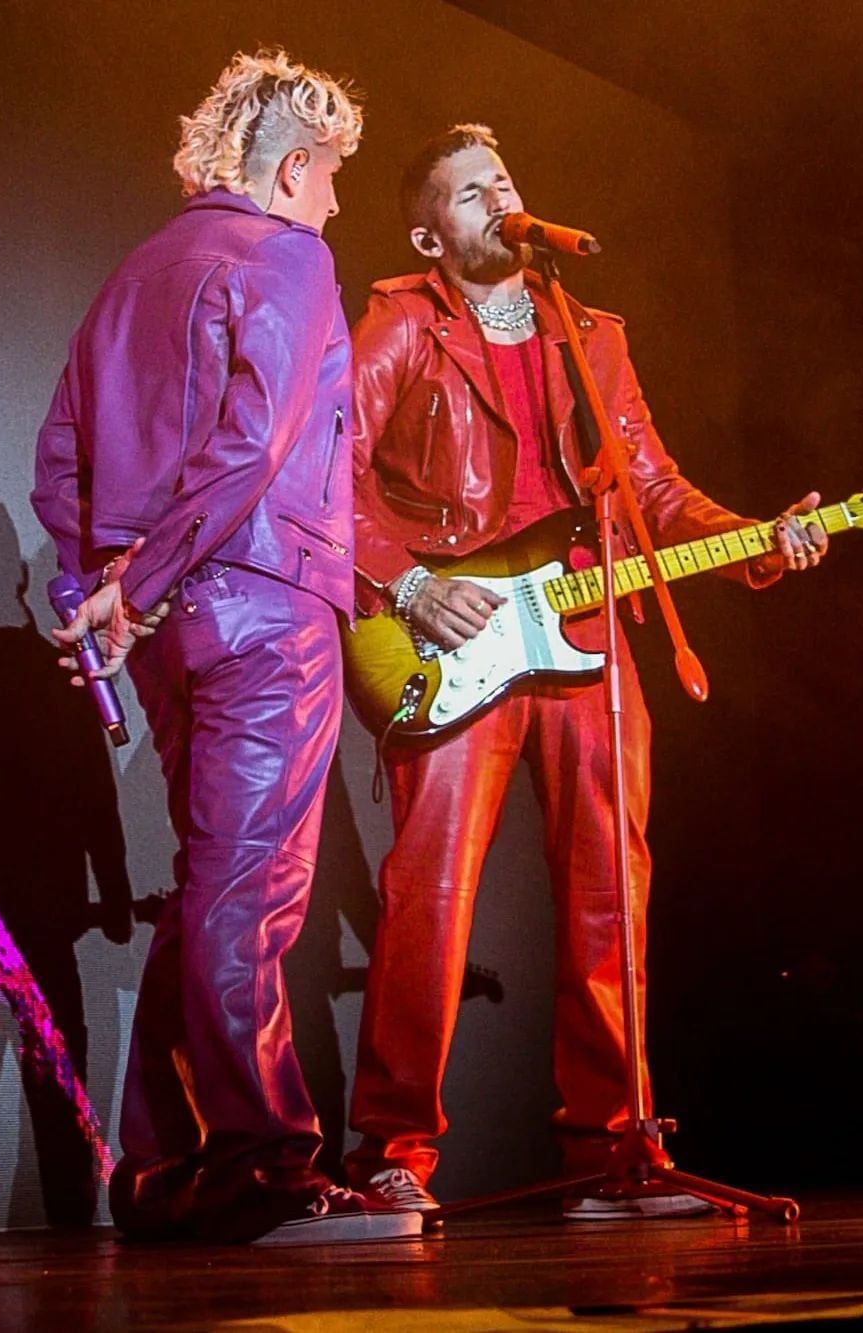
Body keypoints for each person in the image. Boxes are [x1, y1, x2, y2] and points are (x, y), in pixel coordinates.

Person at [342, 124, 828, 1222]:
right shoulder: (401, 321)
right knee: (430, 897)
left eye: (502, 181)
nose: (497, 199)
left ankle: (614, 1149)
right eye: (469, 192)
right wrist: (409, 586)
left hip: (585, 628)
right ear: (429, 235)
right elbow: (328, 474)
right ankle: (391, 1155)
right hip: (455, 631)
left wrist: (753, 538)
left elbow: (651, 487)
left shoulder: (589, 333)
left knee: (613, 886)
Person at [31, 50, 419, 1245]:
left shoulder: (133, 274)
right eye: (333, 175)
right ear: (294, 169)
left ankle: (165, 1170)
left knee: (212, 885)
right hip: (262, 602)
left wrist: (107, 591)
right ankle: (264, 1168)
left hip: (163, 628)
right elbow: (255, 442)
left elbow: (60, 461)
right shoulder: (290, 255)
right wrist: (136, 586)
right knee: (249, 890)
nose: (337, 202)